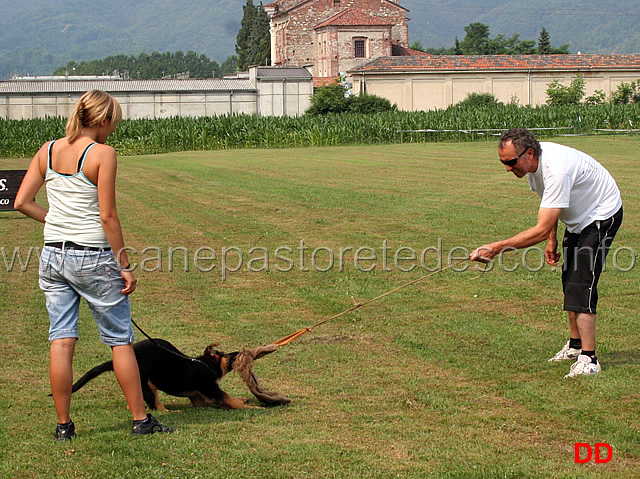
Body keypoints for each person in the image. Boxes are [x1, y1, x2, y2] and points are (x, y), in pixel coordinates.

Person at [14, 90, 172, 439]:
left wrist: (56, 224)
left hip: (53, 255)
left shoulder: (48, 149)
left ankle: (63, 427)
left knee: (61, 339)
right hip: (94, 257)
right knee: (119, 341)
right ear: (102, 120)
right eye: (113, 123)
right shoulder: (102, 154)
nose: (113, 130)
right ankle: (140, 420)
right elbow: (108, 216)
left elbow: (22, 201)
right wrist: (125, 265)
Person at [470, 128, 622, 378]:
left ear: (529, 153)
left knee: (581, 283)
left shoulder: (556, 168)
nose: (508, 169)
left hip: (601, 214)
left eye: (510, 162)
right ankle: (575, 346)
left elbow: (539, 229)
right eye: (503, 163)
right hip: (576, 219)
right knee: (568, 282)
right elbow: (550, 209)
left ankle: (590, 358)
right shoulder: (532, 168)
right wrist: (552, 239)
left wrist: (495, 248)